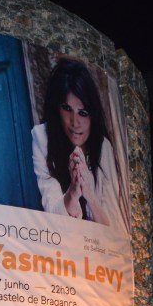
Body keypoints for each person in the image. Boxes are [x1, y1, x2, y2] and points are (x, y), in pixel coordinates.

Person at [31, 58, 132, 234]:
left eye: (83, 113)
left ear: (92, 115)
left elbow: (114, 228)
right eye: (67, 108)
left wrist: (89, 194)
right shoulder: (42, 137)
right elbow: (53, 213)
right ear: (57, 108)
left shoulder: (103, 147)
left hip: (98, 245)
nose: (75, 122)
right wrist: (73, 191)